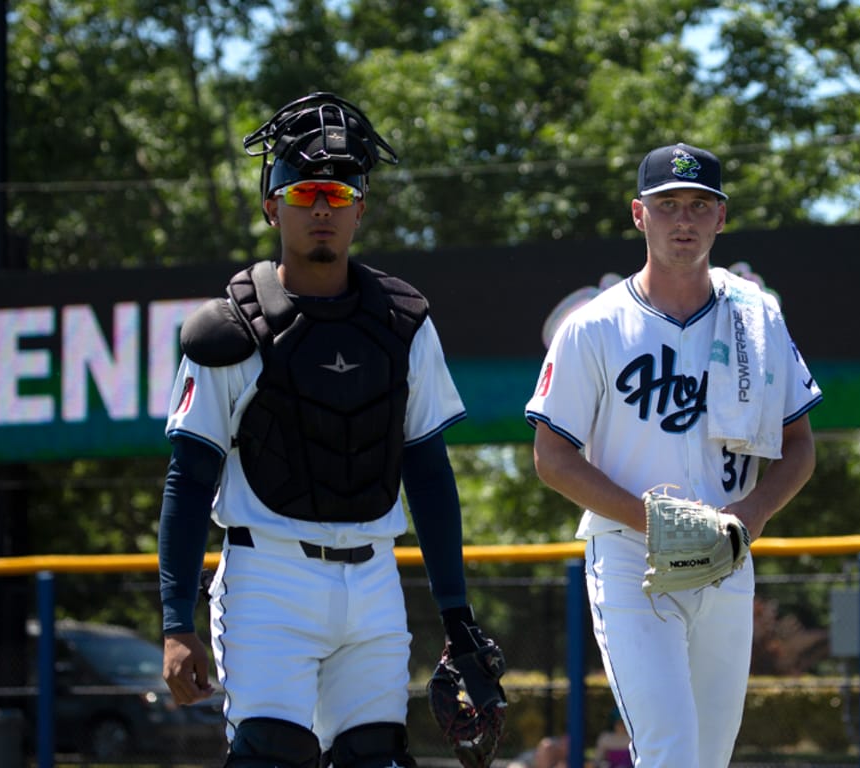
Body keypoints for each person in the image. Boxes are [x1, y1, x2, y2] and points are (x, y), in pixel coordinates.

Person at [157, 91, 500, 768]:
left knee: (376, 758)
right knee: (273, 755)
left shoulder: (403, 321)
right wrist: (174, 624)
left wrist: (457, 616)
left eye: (339, 193)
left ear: (360, 209)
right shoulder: (231, 327)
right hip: (268, 578)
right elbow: (189, 479)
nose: (322, 208)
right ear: (272, 205)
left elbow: (429, 475)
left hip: (373, 581)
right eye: (306, 190)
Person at [524, 142, 821, 767]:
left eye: (698, 205)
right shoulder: (595, 325)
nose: (682, 220)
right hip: (633, 555)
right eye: (667, 206)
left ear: (721, 217)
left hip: (728, 553)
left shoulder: (757, 316)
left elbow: (800, 447)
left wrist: (757, 511)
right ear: (640, 215)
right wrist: (652, 521)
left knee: (709, 757)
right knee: (670, 750)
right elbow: (552, 457)